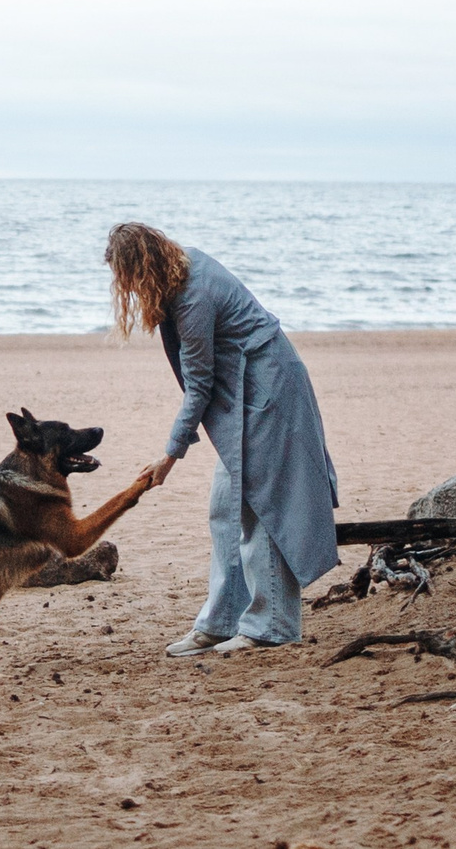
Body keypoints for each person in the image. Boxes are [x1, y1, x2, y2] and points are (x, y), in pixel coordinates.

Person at [106, 221, 341, 656]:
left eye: (128, 279)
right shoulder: (182, 269)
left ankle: (272, 626)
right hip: (250, 394)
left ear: (143, 268)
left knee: (260, 506)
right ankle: (221, 621)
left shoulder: (193, 296)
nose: (130, 290)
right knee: (224, 507)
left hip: (271, 393)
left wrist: (169, 458)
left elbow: (200, 386)